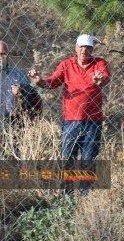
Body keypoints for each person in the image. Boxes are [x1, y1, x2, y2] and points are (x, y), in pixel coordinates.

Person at [28, 34, 110, 187]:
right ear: (75, 48)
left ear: (92, 49)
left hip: (93, 121)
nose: (84, 50)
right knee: (68, 158)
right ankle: (68, 194)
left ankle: (85, 196)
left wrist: (100, 80)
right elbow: (52, 82)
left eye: (87, 47)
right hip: (71, 120)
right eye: (81, 46)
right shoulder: (66, 65)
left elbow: (105, 77)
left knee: (88, 158)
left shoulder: (99, 63)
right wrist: (39, 81)